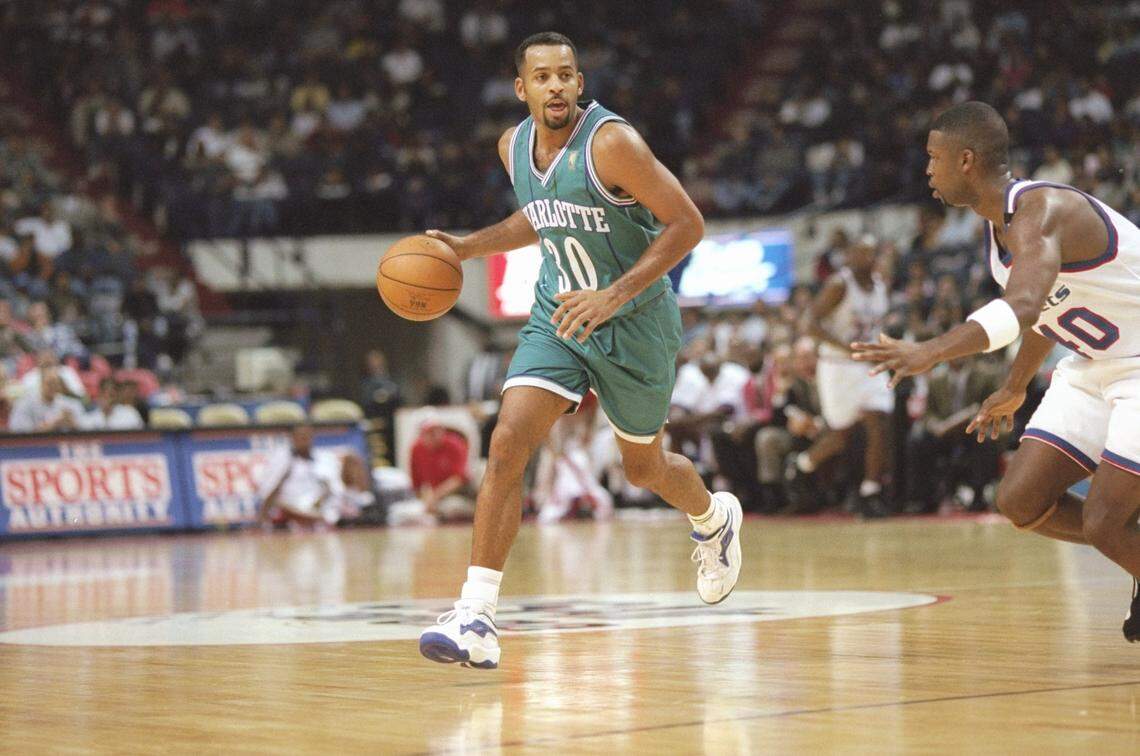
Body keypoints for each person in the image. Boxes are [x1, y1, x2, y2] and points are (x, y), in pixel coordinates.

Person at [417, 32, 742, 670]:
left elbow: (688, 224)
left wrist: (614, 297)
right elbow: (539, 217)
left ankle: (712, 517)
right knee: (509, 439)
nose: (557, 86)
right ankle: (476, 614)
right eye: (543, 77)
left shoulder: (611, 144)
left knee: (643, 471)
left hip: (636, 321)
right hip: (558, 314)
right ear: (522, 89)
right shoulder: (512, 146)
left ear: (580, 82)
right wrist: (466, 246)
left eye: (566, 75)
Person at [851, 101, 1140, 641]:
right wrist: (1012, 387)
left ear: (966, 161)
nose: (926, 172)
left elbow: (1025, 306)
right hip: (1093, 364)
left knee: (1105, 523)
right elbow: (1046, 314)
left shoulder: (1041, 212)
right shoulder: (997, 227)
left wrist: (930, 350)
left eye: (933, 159)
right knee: (1020, 501)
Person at [790, 235, 894, 517]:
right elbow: (808, 323)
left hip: (869, 365)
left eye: (872, 253)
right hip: (838, 365)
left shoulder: (881, 287)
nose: (868, 258)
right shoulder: (839, 284)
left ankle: (871, 491)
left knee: (879, 421)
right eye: (862, 252)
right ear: (850, 256)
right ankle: (801, 465)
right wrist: (846, 347)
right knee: (839, 436)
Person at [410, 413, 476, 522]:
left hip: (465, 489)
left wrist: (434, 497)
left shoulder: (455, 444)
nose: (435, 434)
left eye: (437, 429)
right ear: (422, 434)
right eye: (430, 432)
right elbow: (417, 485)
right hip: (441, 496)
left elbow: (459, 479)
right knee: (449, 508)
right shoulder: (416, 450)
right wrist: (426, 501)